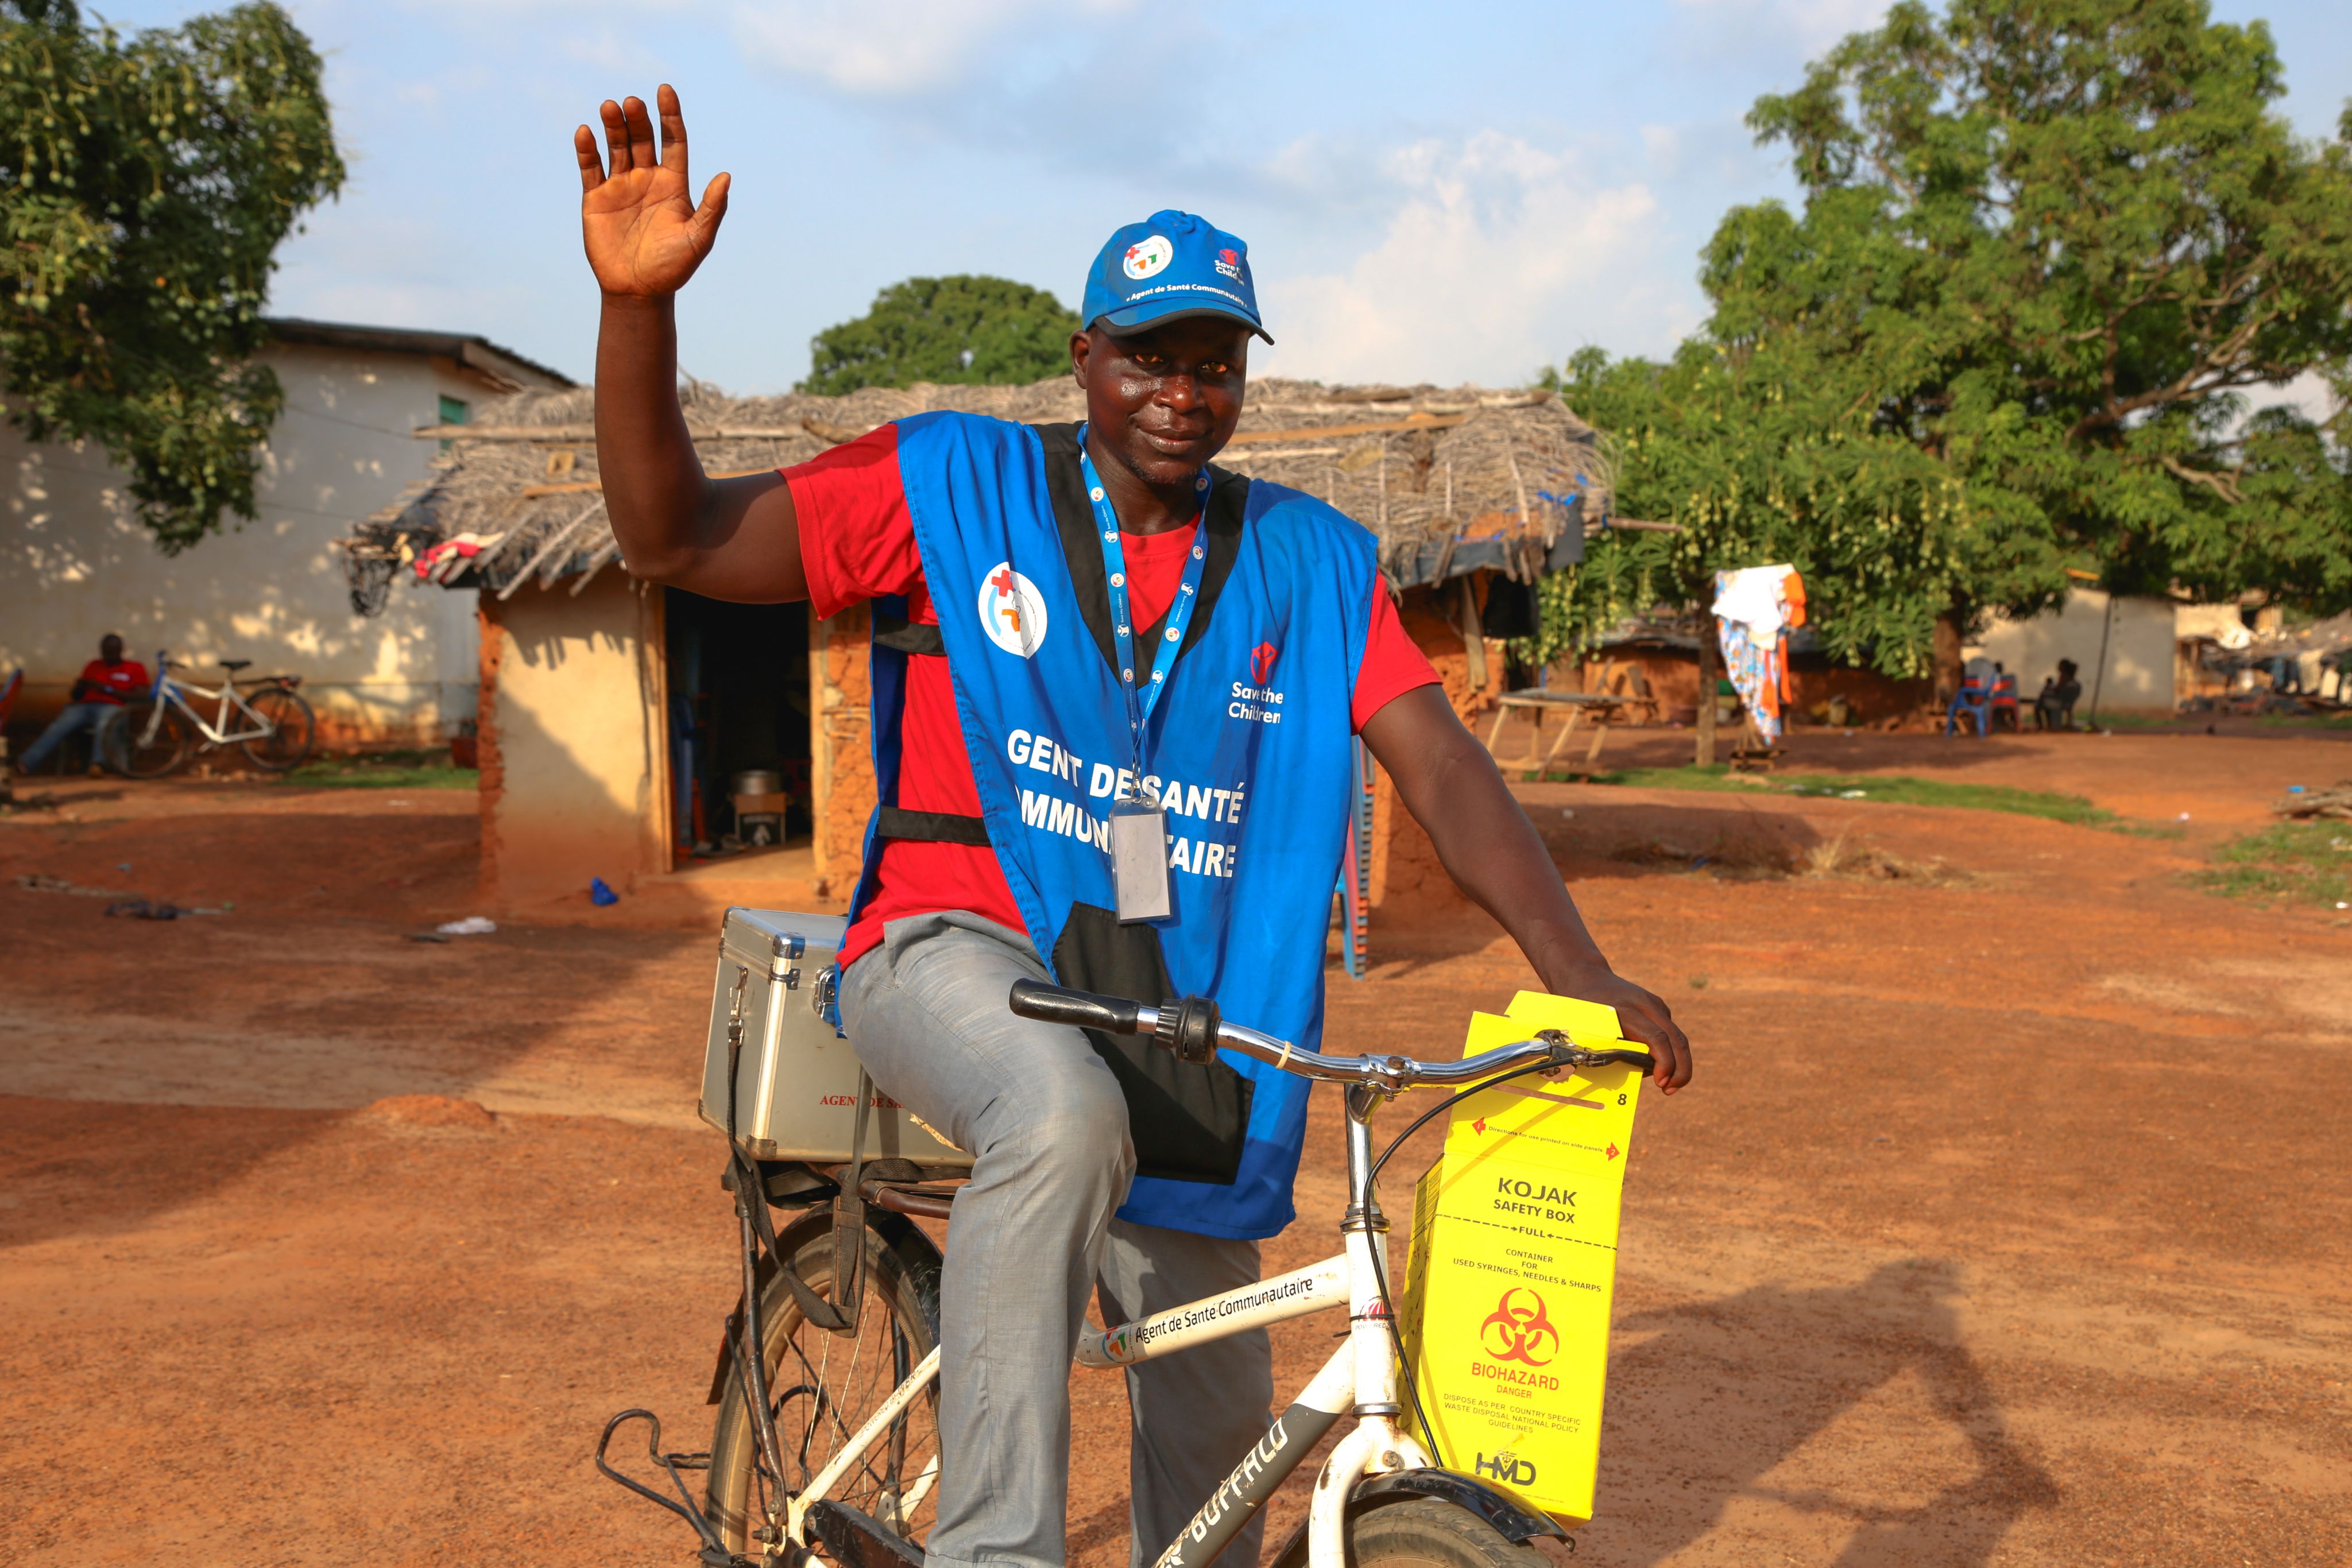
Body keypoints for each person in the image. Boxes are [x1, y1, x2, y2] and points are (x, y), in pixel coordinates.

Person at [575, 87, 1693, 1568]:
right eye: (1149, 352)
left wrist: (1578, 962)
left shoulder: (1302, 561)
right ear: (1084, 358)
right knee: (1054, 1112)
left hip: (1174, 1004)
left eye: (1214, 360)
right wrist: (636, 317)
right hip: (949, 943)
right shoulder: (954, 486)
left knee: (1214, 1445)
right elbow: (675, 535)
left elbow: (1442, 764)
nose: (1182, 386)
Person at [17, 634, 146, 775]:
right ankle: (26, 763)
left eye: (112, 651)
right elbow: (76, 696)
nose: (108, 655)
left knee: (104, 723)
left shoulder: (134, 667)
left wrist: (105, 689)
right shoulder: (93, 665)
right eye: (106, 651)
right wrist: (80, 687)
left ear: (121, 650)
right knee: (59, 726)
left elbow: (140, 696)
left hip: (114, 707)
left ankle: (98, 765)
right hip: (85, 707)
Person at [2034, 659, 2080, 731]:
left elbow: (2057, 690)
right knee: (2045, 702)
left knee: (2038, 705)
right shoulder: (2073, 681)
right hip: (2066, 703)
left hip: (2059, 703)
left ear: (2063, 667)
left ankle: (2040, 726)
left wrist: (2048, 689)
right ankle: (2050, 724)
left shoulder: (2064, 677)